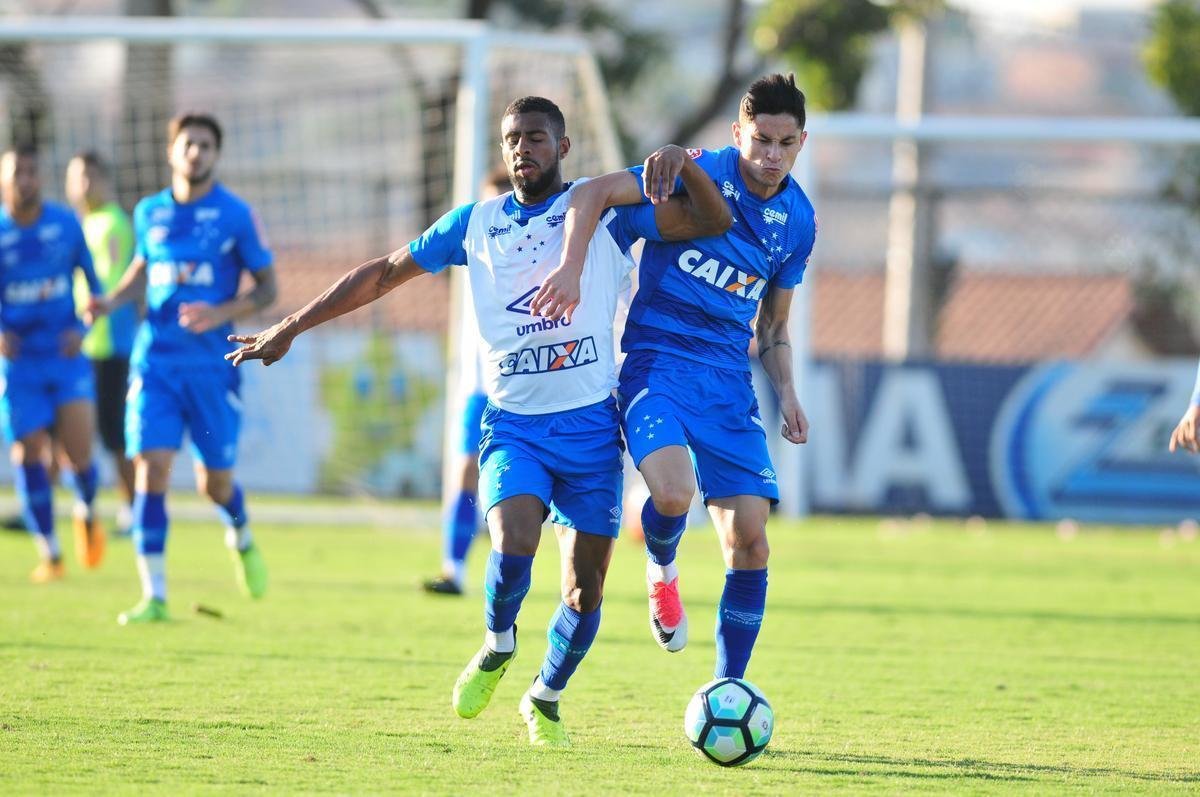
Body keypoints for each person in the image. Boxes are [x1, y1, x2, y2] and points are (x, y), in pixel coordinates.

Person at [226, 96, 729, 746]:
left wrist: (684, 167)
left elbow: (709, 220)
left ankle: (545, 695)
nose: (525, 148)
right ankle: (497, 642)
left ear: (564, 147)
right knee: (513, 536)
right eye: (513, 138)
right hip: (514, 424)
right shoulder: (475, 224)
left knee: (585, 590)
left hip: (590, 431)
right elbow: (382, 273)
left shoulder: (606, 215)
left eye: (538, 138)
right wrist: (289, 327)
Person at [533, 73, 816, 680]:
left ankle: (728, 687)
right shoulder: (691, 171)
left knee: (752, 541)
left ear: (801, 143)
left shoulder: (798, 223)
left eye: (784, 143)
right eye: (760, 140)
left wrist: (787, 388)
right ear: (737, 132)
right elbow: (597, 194)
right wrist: (573, 267)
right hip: (655, 364)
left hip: (728, 385)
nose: (770, 156)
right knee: (670, 494)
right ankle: (662, 568)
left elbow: (773, 325)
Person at [87, 112, 278, 625]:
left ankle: (240, 534)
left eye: (206, 146)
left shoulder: (235, 214)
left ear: (216, 155)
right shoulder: (149, 212)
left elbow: (267, 289)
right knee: (150, 468)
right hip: (156, 365)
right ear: (172, 151)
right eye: (188, 144)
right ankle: (154, 595)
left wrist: (220, 312)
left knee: (213, 484)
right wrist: (110, 302)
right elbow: (143, 271)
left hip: (212, 369)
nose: (196, 153)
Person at [0, 146, 106, 581]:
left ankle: (86, 508)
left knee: (78, 455)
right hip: (19, 364)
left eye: (31, 171)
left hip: (64, 358)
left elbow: (95, 287)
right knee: (27, 454)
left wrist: (81, 331)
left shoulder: (65, 224)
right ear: (4, 181)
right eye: (16, 172)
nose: (25, 179)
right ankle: (51, 553)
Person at [424, 167, 512, 596]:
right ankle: (453, 569)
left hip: (522, 391)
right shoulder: (472, 247)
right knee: (463, 473)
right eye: (488, 202)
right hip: (477, 390)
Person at [65, 151, 138, 536]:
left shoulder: (112, 224)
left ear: (105, 180)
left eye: (91, 176)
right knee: (63, 426)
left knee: (114, 432)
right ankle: (77, 505)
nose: (83, 184)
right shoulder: (83, 224)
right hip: (81, 342)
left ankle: (131, 509)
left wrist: (85, 327)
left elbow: (109, 285)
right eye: (77, 176)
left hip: (107, 342)